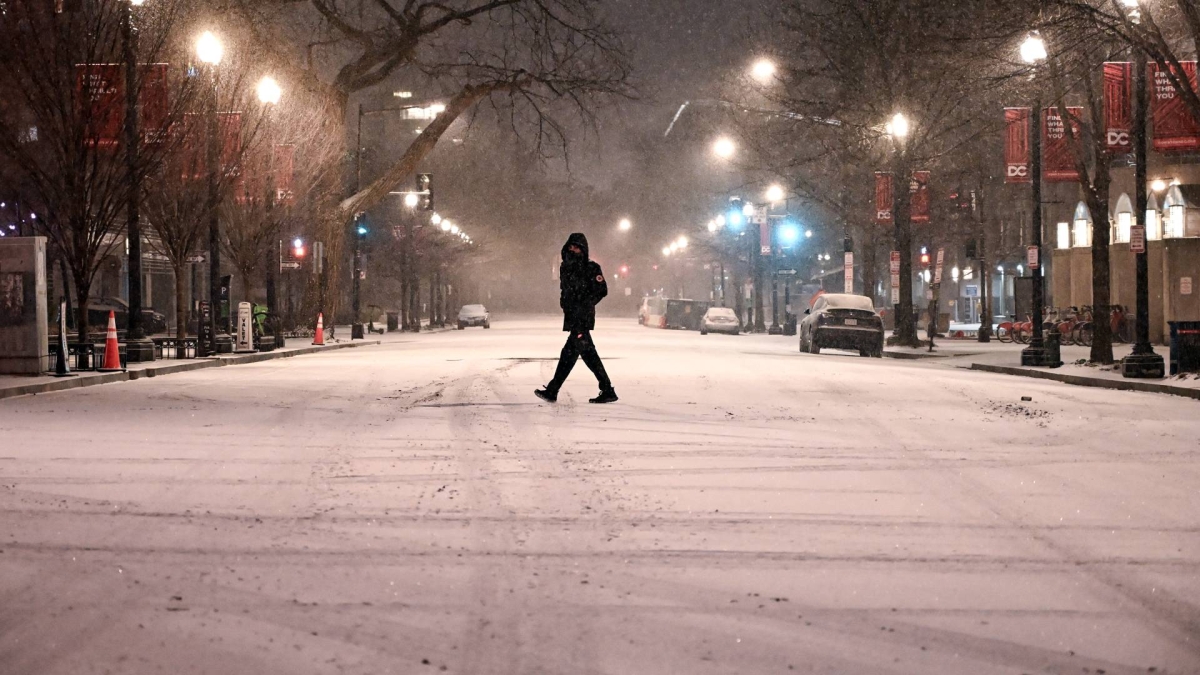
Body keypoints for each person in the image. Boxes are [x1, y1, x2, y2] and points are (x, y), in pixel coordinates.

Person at [535, 233, 618, 404]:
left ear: (583, 249)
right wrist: (564, 302)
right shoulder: (565, 268)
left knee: (571, 352)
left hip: (582, 317)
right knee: (583, 353)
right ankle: (607, 389)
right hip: (572, 315)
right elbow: (565, 290)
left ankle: (553, 389)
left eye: (577, 247)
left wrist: (587, 302)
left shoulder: (591, 268)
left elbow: (602, 290)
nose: (573, 250)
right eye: (571, 247)